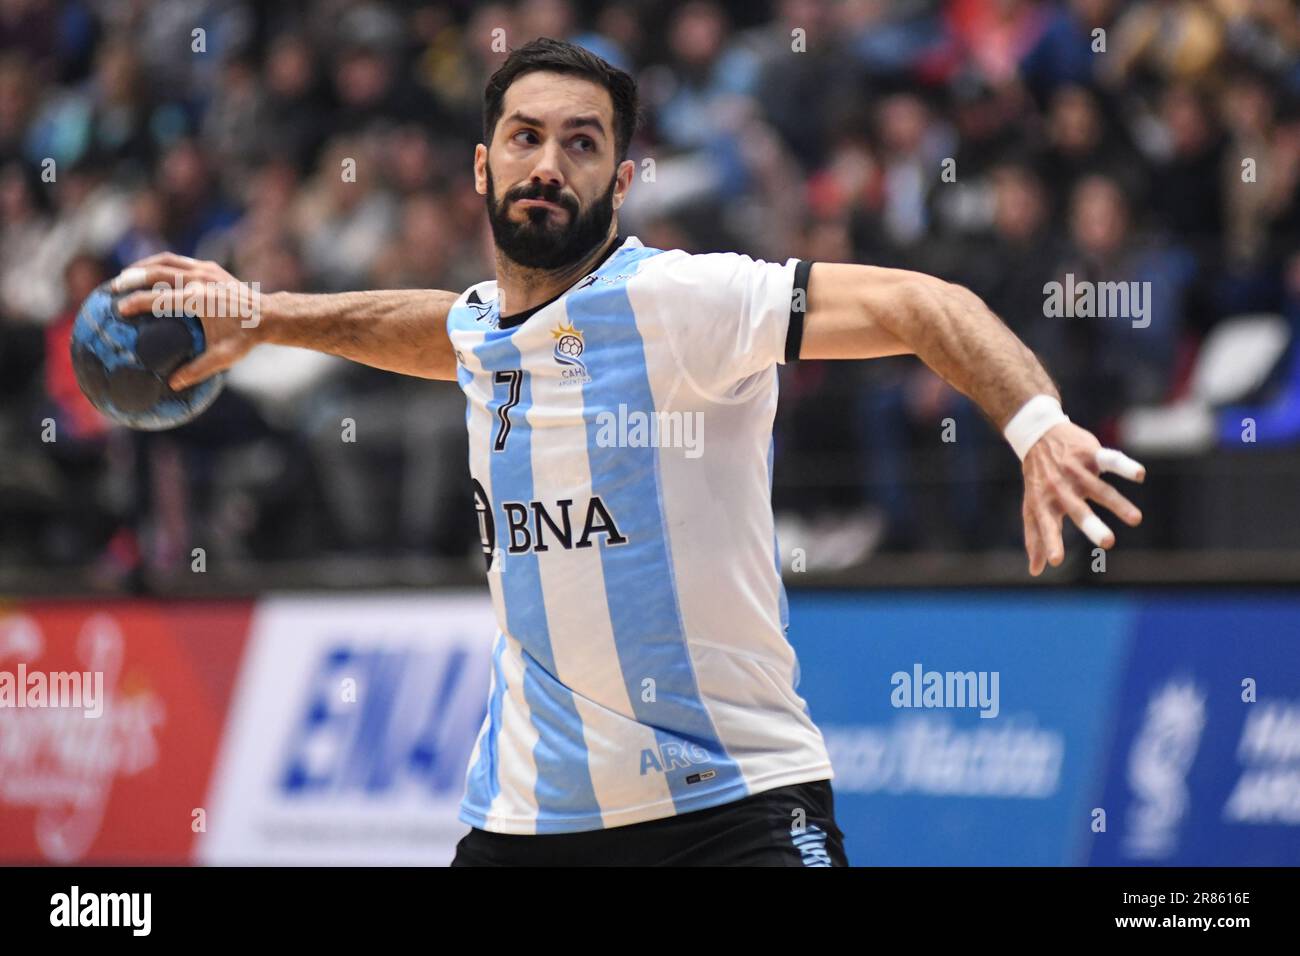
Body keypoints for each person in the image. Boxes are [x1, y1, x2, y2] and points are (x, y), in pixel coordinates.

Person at [108, 38, 1145, 866]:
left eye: (581, 143)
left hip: (730, 807)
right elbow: (435, 327)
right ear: (482, 163)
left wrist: (1034, 422)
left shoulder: (680, 301)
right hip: (525, 821)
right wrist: (265, 314)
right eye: (523, 138)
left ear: (622, 176)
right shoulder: (482, 331)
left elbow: (925, 302)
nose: (547, 164)